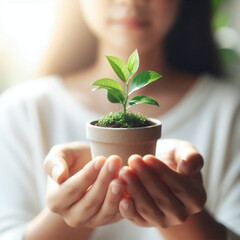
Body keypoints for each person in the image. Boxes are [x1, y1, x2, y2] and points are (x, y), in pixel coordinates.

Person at [0, 0, 239, 239]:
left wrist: (183, 215)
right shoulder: (21, 111)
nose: (131, 1)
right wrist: (70, 212)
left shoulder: (230, 112)